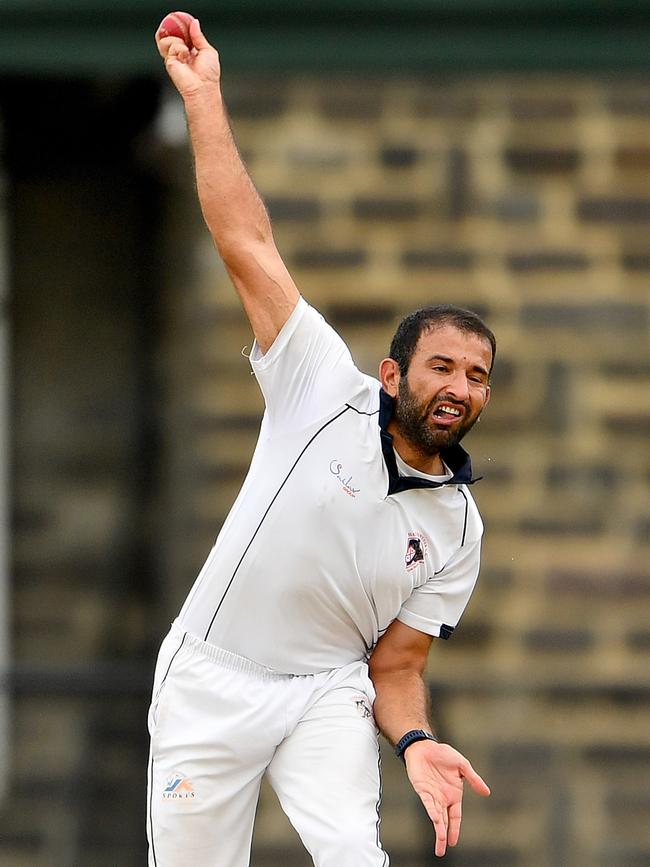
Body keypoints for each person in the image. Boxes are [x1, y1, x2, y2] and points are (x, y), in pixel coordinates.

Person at [150, 14, 493, 867]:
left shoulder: (458, 529)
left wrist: (416, 743)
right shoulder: (319, 383)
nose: (457, 386)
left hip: (326, 691)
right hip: (211, 678)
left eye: (477, 376)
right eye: (441, 366)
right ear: (390, 374)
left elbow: (398, 666)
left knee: (353, 854)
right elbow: (245, 242)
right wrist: (203, 97)